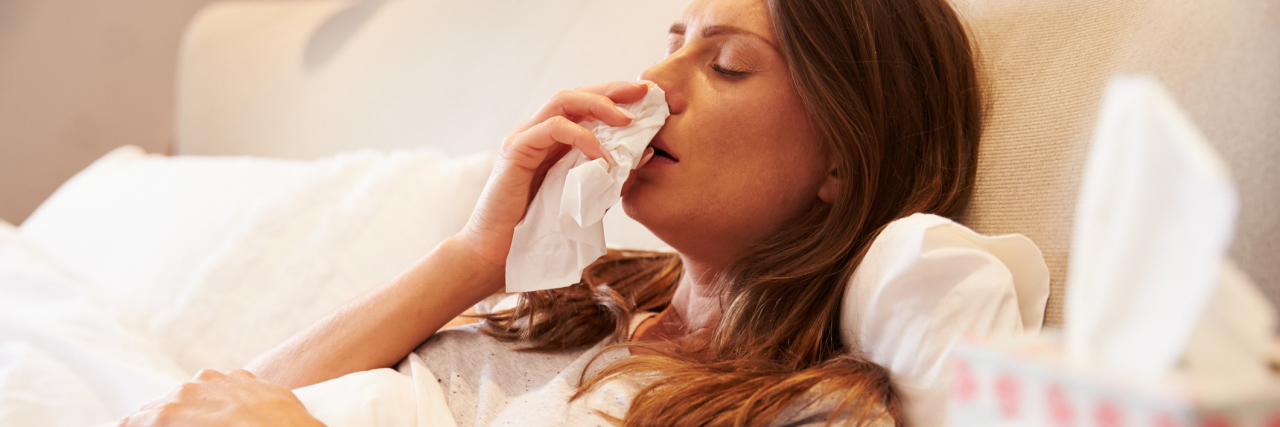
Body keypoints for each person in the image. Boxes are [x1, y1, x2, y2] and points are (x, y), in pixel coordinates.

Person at [118, 0, 981, 424]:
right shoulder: (592, 301)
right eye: (674, 40)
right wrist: (472, 253)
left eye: (727, 66)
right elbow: (231, 400)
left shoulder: (806, 407)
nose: (654, 86)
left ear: (842, 152)